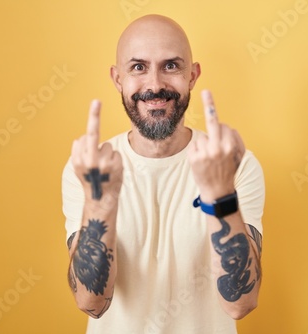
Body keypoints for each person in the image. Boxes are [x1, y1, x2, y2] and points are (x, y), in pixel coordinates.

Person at [62, 14, 265, 334]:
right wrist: (100, 201)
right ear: (118, 79)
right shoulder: (91, 169)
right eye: (138, 67)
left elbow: (240, 303)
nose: (155, 85)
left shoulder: (234, 164)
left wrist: (219, 192)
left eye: (171, 65)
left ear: (193, 76)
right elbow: (91, 302)